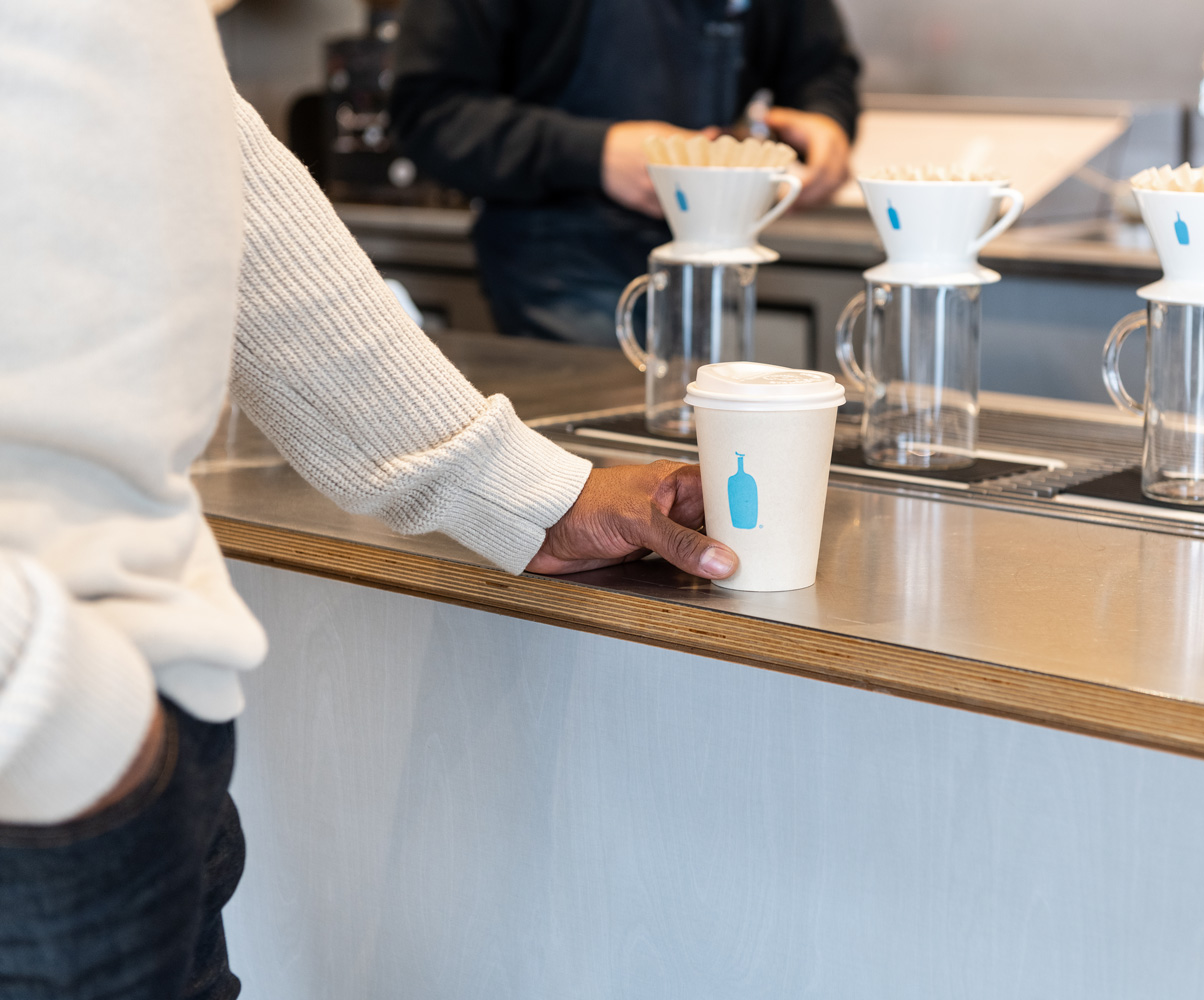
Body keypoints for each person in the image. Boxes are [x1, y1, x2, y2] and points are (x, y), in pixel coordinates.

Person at [0, 3, 735, 997]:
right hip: (45, 745)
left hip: (127, 724)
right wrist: (51, 695)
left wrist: (516, 493)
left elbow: (204, 145)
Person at [390, 0, 861, 344]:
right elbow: (430, 113)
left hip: (712, 261)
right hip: (559, 265)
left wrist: (826, 122)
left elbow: (823, 69)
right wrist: (594, 152)